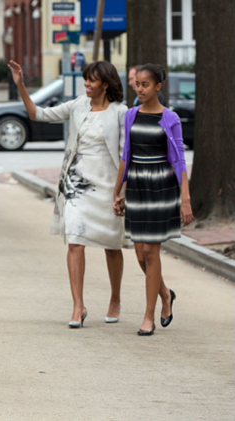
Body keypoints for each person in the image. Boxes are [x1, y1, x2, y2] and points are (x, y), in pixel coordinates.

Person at [8, 60, 127, 328]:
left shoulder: (121, 112)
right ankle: (78, 305)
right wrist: (21, 86)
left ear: (104, 85)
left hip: (108, 185)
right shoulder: (77, 105)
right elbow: (37, 113)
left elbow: (124, 155)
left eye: (91, 80)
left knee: (112, 244)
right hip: (75, 184)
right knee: (75, 239)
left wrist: (122, 191)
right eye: (85, 79)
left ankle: (115, 298)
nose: (86, 84)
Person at [113, 64, 193, 336]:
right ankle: (165, 294)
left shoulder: (170, 118)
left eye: (145, 84)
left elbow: (180, 160)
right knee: (139, 253)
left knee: (151, 251)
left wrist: (186, 200)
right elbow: (126, 154)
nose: (140, 88)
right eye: (137, 84)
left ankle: (149, 315)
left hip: (161, 186)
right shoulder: (131, 115)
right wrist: (118, 190)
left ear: (158, 87)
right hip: (136, 184)